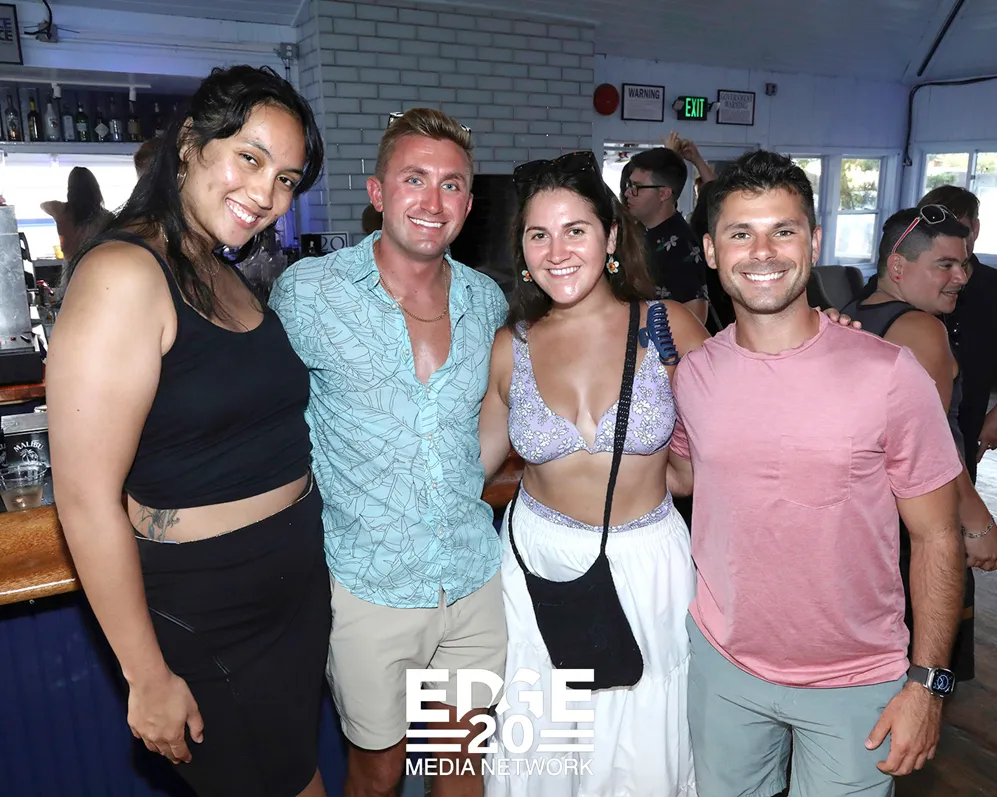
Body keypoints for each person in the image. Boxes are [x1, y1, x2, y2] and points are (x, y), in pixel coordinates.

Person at [46, 65, 328, 797]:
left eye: (287, 179)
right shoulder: (123, 273)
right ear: (189, 145)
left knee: (300, 776)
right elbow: (85, 500)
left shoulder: (218, 268)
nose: (267, 195)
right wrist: (146, 676)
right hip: (212, 611)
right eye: (250, 159)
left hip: (291, 595)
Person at [669, 151, 966, 796]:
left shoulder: (888, 373)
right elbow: (684, 477)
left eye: (784, 230)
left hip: (855, 682)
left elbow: (939, 537)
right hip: (724, 668)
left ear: (814, 241)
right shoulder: (694, 375)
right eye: (740, 233)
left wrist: (928, 683)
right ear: (711, 251)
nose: (762, 252)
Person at [268, 108, 507, 797]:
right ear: (377, 192)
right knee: (379, 771)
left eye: (452, 184)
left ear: (469, 202)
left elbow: (482, 424)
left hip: (471, 574)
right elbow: (266, 420)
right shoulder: (309, 293)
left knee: (461, 762)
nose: (434, 201)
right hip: (367, 584)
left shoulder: (486, 300)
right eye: (414, 179)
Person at [477, 149, 707, 796]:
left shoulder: (667, 325)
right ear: (522, 249)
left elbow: (734, 439)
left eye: (574, 230)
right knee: (547, 743)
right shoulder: (511, 345)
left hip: (647, 566)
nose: (556, 252)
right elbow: (469, 468)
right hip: (539, 565)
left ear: (609, 236)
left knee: (641, 750)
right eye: (538, 235)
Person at [841, 206, 997, 684]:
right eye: (945, 265)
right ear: (897, 266)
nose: (961, 277)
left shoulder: (851, 313)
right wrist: (976, 523)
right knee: (922, 655)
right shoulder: (920, 329)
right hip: (917, 521)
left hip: (870, 517)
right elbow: (936, 447)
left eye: (964, 264)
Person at [917, 186, 997, 481]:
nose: (948, 240)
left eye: (959, 230)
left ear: (975, 229)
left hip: (966, 435)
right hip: (909, 439)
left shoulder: (995, 288)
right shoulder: (904, 281)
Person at [623, 146, 710, 324]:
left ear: (663, 193)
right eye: (629, 185)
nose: (627, 193)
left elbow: (696, 316)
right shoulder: (638, 230)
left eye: (637, 187)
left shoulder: (681, 245)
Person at [42, 166, 114, 292]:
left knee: (72, 297)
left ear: (70, 190)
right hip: (97, 264)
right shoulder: (106, 217)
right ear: (96, 189)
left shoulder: (61, 210)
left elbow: (43, 205)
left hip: (71, 265)